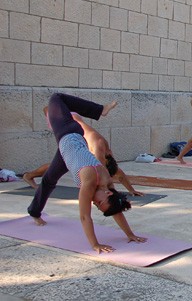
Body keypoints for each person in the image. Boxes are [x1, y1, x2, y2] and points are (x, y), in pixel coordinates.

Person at [28, 93, 146, 253]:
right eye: (100, 203)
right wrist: (95, 245)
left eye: (97, 207)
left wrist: (130, 234)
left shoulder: (108, 186)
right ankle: (100, 110)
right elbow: (85, 217)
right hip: (68, 133)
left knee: (49, 179)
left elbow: (115, 209)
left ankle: (34, 211)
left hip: (68, 150)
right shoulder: (90, 182)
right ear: (108, 194)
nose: (96, 204)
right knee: (56, 98)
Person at [22, 112, 144, 196]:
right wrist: (107, 190)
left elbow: (119, 174)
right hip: (67, 125)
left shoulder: (107, 155)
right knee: (61, 164)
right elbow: (98, 176)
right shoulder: (98, 152)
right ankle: (29, 175)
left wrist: (131, 190)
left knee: (61, 164)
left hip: (72, 127)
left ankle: (30, 175)